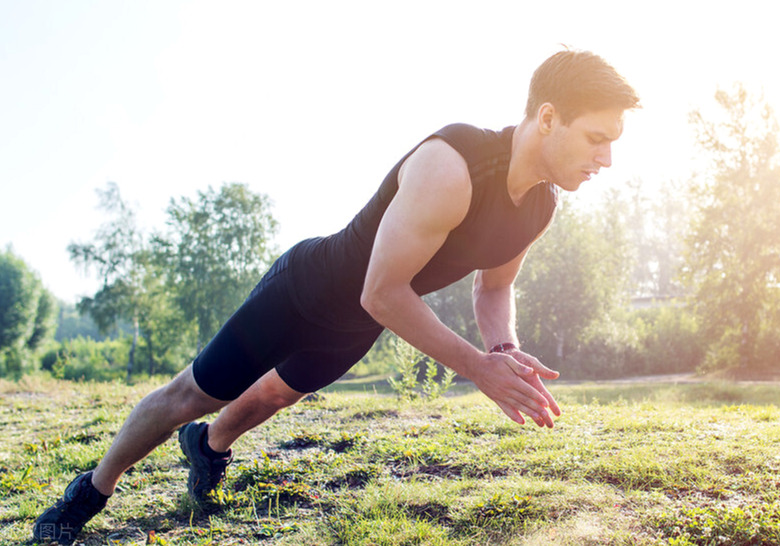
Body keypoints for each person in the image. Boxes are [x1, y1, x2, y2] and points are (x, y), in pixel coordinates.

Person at [34, 49, 639, 544]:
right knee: (190, 394)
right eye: (597, 138)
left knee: (274, 395)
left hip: (355, 325)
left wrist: (502, 347)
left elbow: (495, 285)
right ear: (550, 117)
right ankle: (91, 491)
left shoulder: (539, 205)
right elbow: (381, 290)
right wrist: (478, 368)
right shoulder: (452, 165)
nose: (606, 158)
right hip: (304, 290)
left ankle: (209, 446)